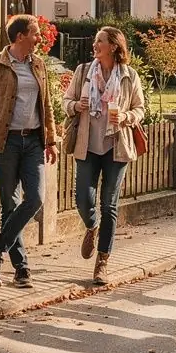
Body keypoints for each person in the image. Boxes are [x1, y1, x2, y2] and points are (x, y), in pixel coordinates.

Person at [0, 13, 57, 290]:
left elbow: (46, 104)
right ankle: (21, 268)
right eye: (35, 33)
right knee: (10, 204)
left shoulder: (39, 64)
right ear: (20, 36)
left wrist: (51, 139)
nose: (39, 38)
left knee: (35, 198)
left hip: (33, 141)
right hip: (4, 142)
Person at [63, 26, 145, 286]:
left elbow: (140, 109)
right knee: (82, 199)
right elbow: (65, 101)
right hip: (87, 145)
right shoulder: (83, 72)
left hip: (116, 146)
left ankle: (102, 262)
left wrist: (125, 117)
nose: (95, 45)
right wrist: (76, 106)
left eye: (100, 41)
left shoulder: (129, 76)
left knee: (110, 204)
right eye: (96, 41)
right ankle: (91, 226)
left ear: (113, 46)